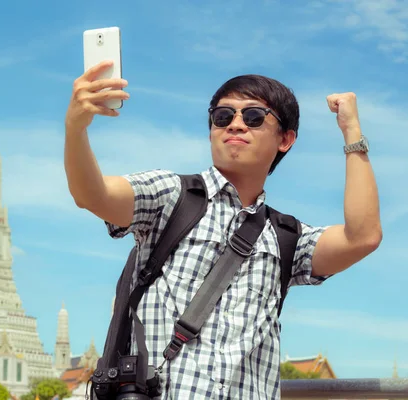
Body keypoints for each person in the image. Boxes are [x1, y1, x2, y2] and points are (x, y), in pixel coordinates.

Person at [63, 60, 382, 399]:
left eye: (254, 116)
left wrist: (352, 132)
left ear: (285, 139)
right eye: (223, 116)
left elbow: (362, 237)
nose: (236, 125)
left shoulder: (286, 238)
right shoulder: (172, 196)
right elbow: (92, 194)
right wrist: (75, 128)